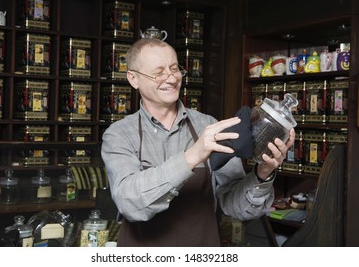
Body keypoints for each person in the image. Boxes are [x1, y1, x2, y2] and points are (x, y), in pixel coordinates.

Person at [101, 38, 295, 247]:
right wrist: (193, 156)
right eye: (158, 72)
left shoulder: (209, 125)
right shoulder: (119, 135)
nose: (171, 78)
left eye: (174, 69)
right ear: (133, 78)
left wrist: (262, 174)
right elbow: (130, 203)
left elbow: (235, 208)